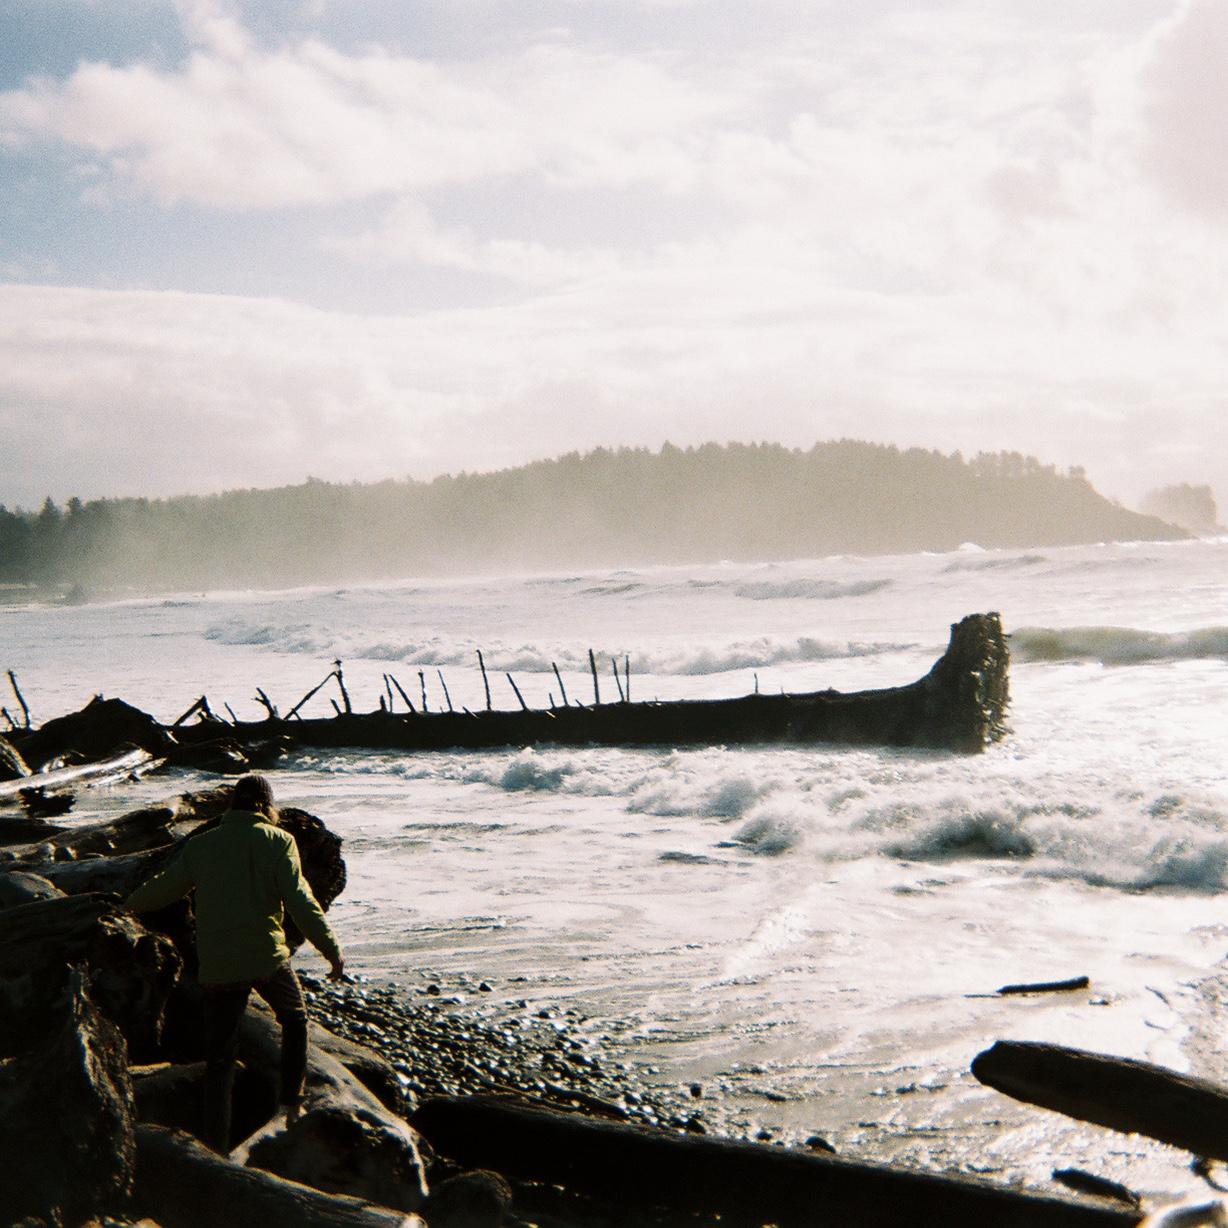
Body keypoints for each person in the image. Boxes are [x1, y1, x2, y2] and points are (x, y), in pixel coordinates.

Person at [126, 773, 345, 1152]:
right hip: (266, 958)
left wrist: (126, 905)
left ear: (232, 805)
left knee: (220, 1058)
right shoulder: (280, 841)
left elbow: (165, 887)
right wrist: (332, 950)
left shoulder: (203, 845)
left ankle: (216, 1143)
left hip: (218, 963)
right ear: (266, 806)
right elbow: (301, 902)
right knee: (294, 1018)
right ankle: (292, 1102)